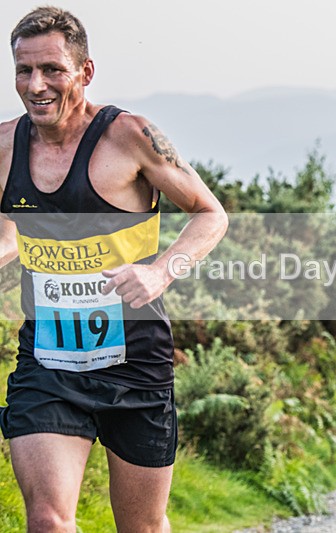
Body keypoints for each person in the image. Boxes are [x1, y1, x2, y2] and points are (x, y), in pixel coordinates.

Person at [0, 7, 228, 532]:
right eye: (23, 70)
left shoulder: (130, 135)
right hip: (48, 361)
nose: (36, 85)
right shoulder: (7, 145)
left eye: (52, 69)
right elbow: (9, 229)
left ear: (85, 71)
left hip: (135, 360)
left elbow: (210, 214)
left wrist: (162, 272)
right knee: (48, 521)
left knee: (142, 527)